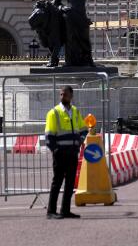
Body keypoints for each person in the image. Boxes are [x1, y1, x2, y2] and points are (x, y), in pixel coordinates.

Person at [44, 85, 87, 220]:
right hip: (60, 154)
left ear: (71, 96)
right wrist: (55, 150)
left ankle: (65, 210)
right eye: (61, 94)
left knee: (69, 183)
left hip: (72, 153)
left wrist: (79, 141)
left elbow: (84, 129)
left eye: (65, 94)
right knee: (57, 182)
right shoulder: (53, 113)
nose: (63, 97)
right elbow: (49, 136)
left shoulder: (75, 111)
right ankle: (51, 211)